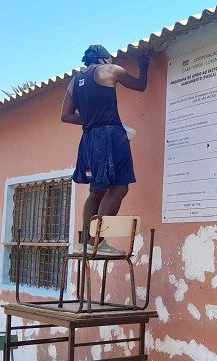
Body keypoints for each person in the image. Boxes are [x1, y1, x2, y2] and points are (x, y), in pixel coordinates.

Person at [60, 44, 150, 256]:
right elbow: (140, 86)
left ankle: (85, 242)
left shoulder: (74, 82)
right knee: (120, 187)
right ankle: (99, 242)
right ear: (103, 59)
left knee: (97, 190)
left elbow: (66, 115)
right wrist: (144, 67)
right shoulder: (110, 70)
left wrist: (92, 119)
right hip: (110, 136)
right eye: (109, 59)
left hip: (89, 139)